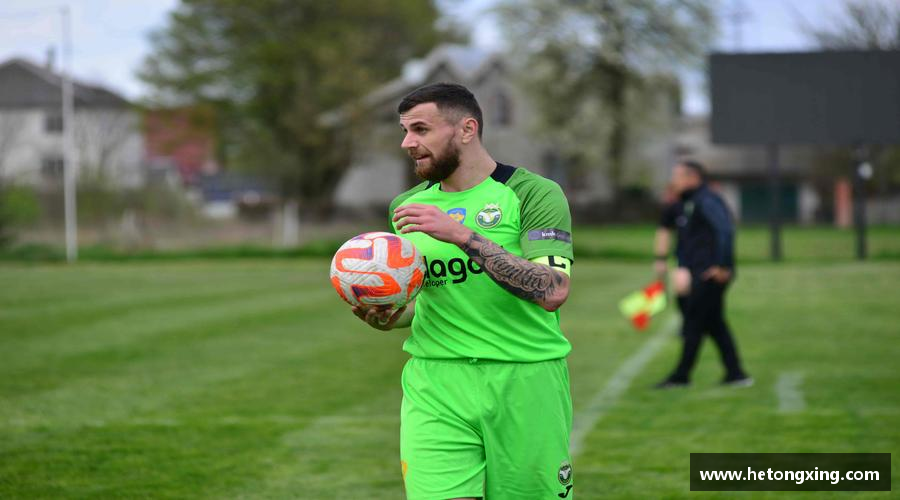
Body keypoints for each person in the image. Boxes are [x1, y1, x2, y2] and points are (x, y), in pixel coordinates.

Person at [349, 82, 576, 499]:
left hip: (524, 378)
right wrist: (390, 316)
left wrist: (461, 235)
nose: (407, 143)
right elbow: (430, 299)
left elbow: (553, 290)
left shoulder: (532, 193)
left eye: (420, 130)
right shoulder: (407, 208)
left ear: (467, 129)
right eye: (405, 131)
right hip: (436, 381)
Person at [654, 160, 752, 389]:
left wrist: (723, 265)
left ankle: (681, 376)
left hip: (711, 273)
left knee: (694, 323)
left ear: (693, 178)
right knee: (714, 323)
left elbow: (725, 230)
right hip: (700, 271)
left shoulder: (707, 200)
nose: (673, 181)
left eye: (677, 176)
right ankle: (736, 373)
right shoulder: (688, 201)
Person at [654, 183, 691, 317]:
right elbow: (663, 232)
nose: (665, 198)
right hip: (683, 256)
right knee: (681, 286)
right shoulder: (673, 209)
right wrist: (660, 259)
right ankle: (686, 320)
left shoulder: (702, 204)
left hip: (704, 257)